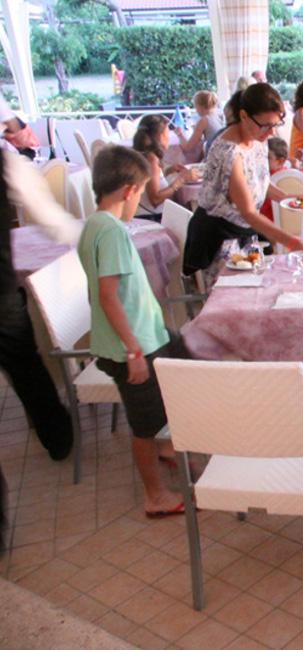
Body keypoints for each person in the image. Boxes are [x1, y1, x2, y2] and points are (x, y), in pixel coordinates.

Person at [78, 145, 185, 517]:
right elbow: (108, 296)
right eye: (140, 193)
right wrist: (133, 351)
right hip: (133, 347)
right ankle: (155, 495)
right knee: (144, 425)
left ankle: (166, 446)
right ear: (129, 191)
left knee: (184, 356)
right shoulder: (112, 233)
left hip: (145, 336)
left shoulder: (94, 224)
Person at [0, 94, 80, 463]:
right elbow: (51, 221)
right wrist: (90, 236)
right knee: (24, 363)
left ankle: (57, 435)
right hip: (1, 294)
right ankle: (58, 438)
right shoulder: (6, 161)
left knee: (24, 363)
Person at [184, 83, 303, 275]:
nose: (271, 132)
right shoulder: (229, 152)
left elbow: (258, 179)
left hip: (244, 232)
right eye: (266, 125)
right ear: (244, 116)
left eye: (275, 124)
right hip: (219, 237)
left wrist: (285, 197)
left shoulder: (257, 138)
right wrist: (293, 242)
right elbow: (249, 213)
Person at [130, 115, 196, 220]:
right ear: (160, 136)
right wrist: (181, 180)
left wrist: (168, 171)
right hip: (150, 218)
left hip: (143, 215)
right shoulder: (151, 159)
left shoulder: (142, 153)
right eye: (167, 133)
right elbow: (155, 200)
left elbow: (148, 182)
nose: (169, 137)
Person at [175, 90, 226, 160]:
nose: (196, 110)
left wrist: (179, 134)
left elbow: (188, 147)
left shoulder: (203, 120)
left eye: (195, 106)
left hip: (215, 159)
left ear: (200, 107)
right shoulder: (218, 115)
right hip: (224, 156)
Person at [259, 137, 289, 220]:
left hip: (266, 221)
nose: (261, 160)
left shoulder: (269, 178)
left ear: (280, 161)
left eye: (267, 157)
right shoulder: (289, 174)